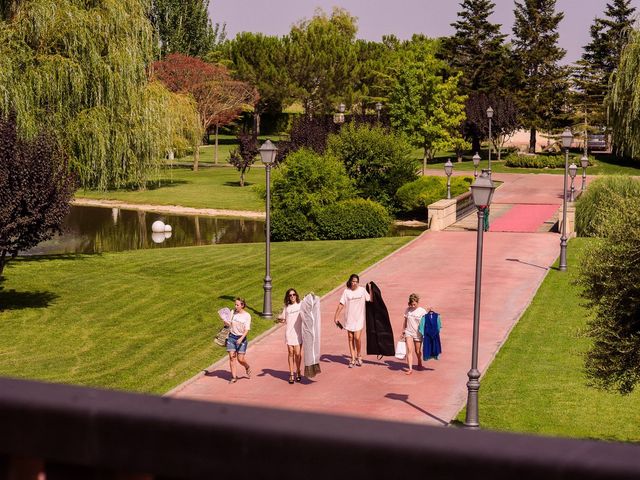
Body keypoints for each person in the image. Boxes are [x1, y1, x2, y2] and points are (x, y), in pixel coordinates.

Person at [334, 273, 371, 368]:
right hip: (349, 318)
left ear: (358, 282)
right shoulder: (346, 292)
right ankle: (353, 358)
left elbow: (370, 300)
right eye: (353, 281)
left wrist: (371, 289)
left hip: (359, 318)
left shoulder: (362, 290)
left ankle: (359, 355)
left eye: (356, 282)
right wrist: (336, 317)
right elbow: (341, 304)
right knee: (350, 338)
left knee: (357, 338)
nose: (354, 283)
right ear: (350, 282)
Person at [278, 288, 303, 384]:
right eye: (290, 295)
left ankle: (298, 370)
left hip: (298, 333)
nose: (292, 296)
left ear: (296, 295)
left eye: (293, 294)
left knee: (297, 354)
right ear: (288, 297)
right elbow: (283, 319)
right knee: (290, 353)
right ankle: (292, 374)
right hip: (289, 333)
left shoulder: (300, 305)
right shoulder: (287, 307)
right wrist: (280, 319)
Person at [225, 297, 252, 384]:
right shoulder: (233, 313)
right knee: (232, 358)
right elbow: (229, 324)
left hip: (241, 338)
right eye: (235, 304)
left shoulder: (247, 315)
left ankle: (247, 366)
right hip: (231, 337)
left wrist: (241, 339)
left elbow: (247, 329)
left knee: (240, 359)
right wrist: (225, 322)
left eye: (237, 305)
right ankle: (234, 377)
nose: (235, 306)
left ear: (242, 305)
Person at [401, 293, 427, 375]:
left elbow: (426, 323)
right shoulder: (408, 310)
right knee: (409, 350)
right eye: (411, 304)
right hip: (409, 332)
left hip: (418, 334)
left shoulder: (422, 311)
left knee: (418, 351)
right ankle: (410, 369)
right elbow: (405, 321)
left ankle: (419, 360)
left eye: (414, 304)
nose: (412, 306)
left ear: (417, 302)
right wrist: (403, 331)